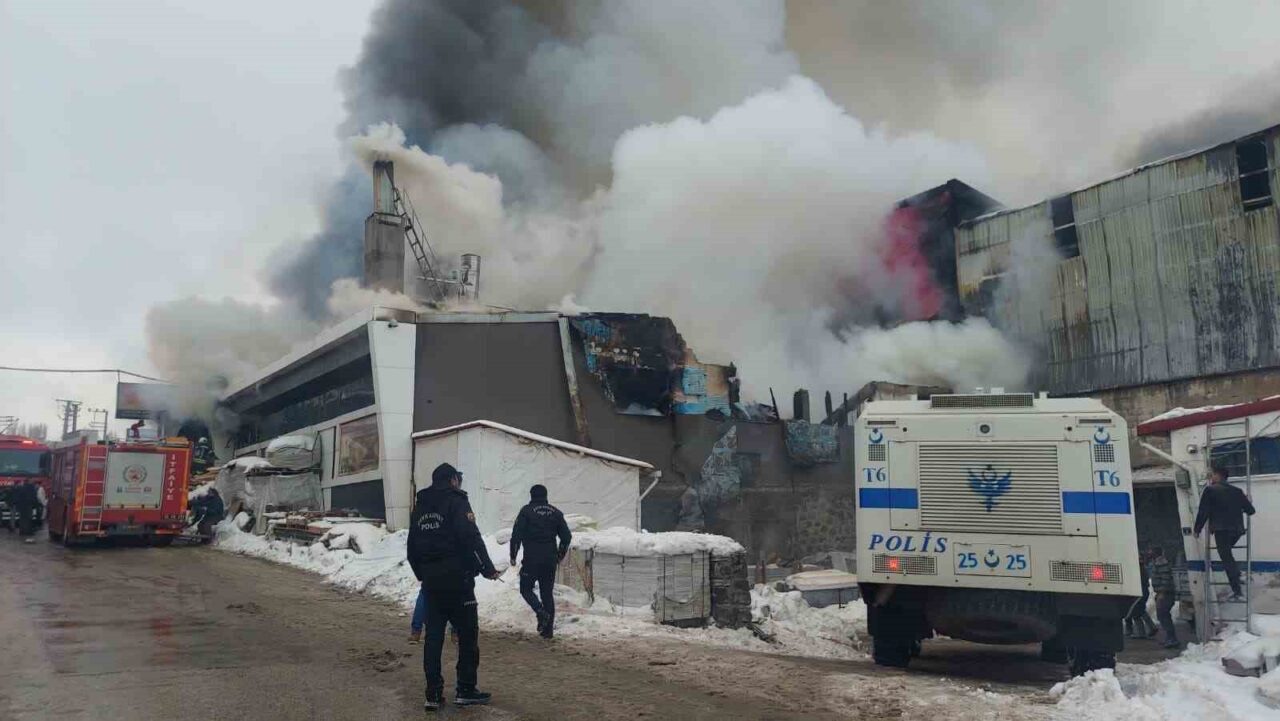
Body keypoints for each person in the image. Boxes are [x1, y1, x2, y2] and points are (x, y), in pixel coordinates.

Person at [407, 463, 498, 711]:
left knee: (433, 637)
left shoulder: (420, 506)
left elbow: (411, 547)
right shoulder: (457, 501)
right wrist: (487, 568)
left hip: (432, 583)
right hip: (459, 581)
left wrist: (423, 575)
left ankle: (433, 693)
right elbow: (471, 538)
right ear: (453, 480)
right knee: (467, 635)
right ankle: (466, 689)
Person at [509, 484, 572, 639]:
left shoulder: (526, 511)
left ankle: (540, 611)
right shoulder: (556, 513)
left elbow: (516, 535)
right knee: (547, 593)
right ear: (546, 495)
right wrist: (560, 555)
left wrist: (513, 555)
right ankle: (548, 631)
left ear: (531, 495)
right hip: (550, 559)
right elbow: (566, 537)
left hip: (531, 559)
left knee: (525, 588)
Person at [1193, 465, 1257, 602]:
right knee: (1228, 555)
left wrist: (1197, 529)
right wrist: (1247, 501)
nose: (1210, 477)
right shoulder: (1237, 491)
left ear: (1218, 475)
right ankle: (1238, 575)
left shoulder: (1210, 490)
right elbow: (1251, 511)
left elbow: (1203, 512)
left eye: (1212, 475)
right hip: (1237, 531)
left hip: (1221, 530)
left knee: (1226, 559)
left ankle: (1237, 591)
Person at [1148, 545, 1180, 648]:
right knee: (1163, 616)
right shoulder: (1157, 563)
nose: (1149, 553)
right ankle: (1169, 637)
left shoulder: (1161, 563)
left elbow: (1165, 579)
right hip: (1162, 593)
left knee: (1163, 615)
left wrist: (1162, 593)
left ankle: (1172, 638)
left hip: (1165, 594)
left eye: (1151, 551)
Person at [1125, 548, 1157, 639]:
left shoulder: (1138, 568)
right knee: (1139, 610)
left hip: (1140, 592)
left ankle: (1145, 630)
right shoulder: (1141, 568)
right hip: (1142, 591)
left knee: (1136, 611)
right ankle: (1148, 629)